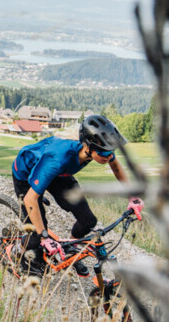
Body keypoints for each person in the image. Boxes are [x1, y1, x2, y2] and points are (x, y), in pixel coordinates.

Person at [10, 113, 141, 275]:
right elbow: (31, 199)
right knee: (36, 234)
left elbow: (116, 167)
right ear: (87, 147)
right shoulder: (57, 159)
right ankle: (14, 252)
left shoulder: (97, 149)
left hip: (59, 175)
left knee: (88, 220)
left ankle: (70, 251)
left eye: (110, 152)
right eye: (104, 153)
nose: (109, 156)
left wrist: (132, 197)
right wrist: (45, 237)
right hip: (25, 173)